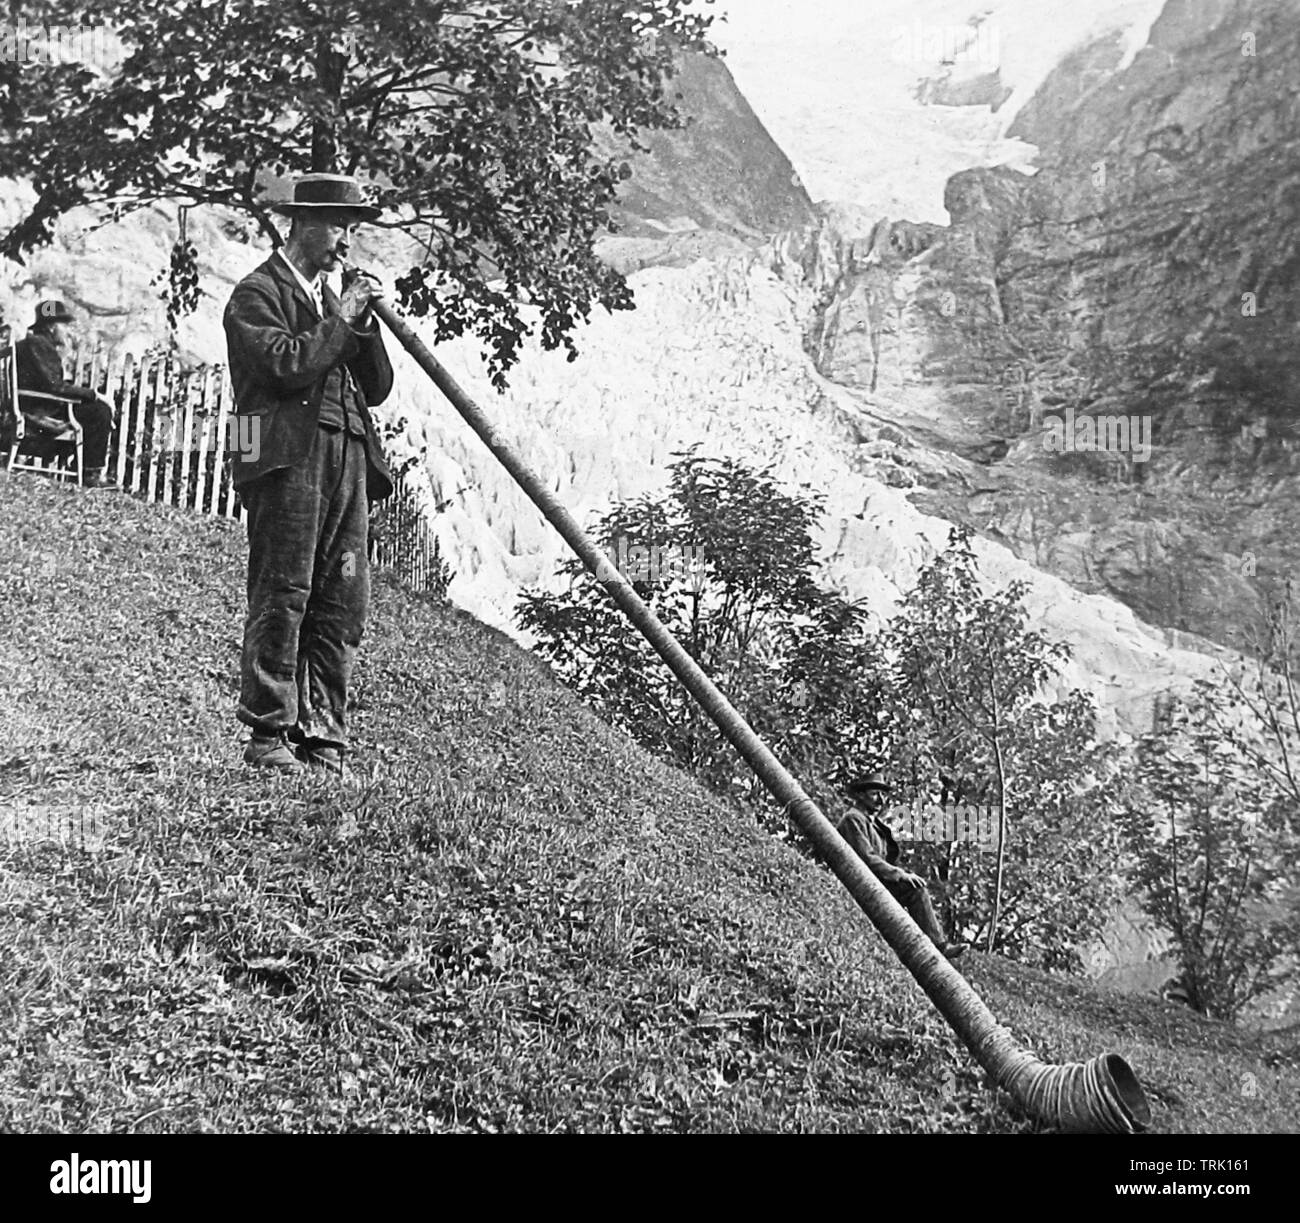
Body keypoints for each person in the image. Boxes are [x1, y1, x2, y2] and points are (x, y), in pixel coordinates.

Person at [223, 173, 395, 775]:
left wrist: (361, 322)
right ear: (302, 225)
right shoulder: (255, 293)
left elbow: (377, 387)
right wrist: (341, 319)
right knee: (284, 591)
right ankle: (268, 734)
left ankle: (323, 738)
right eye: (339, 228)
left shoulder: (333, 303)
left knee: (343, 602)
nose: (346, 243)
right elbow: (285, 366)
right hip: (285, 460)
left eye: (352, 230)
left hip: (349, 456)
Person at [837, 771, 968, 960]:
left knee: (915, 888)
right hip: (860, 883)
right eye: (874, 794)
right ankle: (939, 946)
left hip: (874, 882)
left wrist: (900, 873)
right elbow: (867, 859)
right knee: (914, 889)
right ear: (860, 795)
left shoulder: (873, 824)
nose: (881, 799)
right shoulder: (853, 819)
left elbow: (884, 858)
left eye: (883, 794)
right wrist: (900, 875)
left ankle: (928, 944)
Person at [15, 300, 119, 488]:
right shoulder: (39, 345)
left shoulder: (30, 344)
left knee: (93, 409)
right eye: (63, 325)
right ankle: (90, 474)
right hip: (40, 413)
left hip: (31, 406)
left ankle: (84, 469)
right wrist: (94, 394)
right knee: (99, 411)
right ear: (52, 326)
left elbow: (50, 384)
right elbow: (56, 387)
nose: (67, 331)